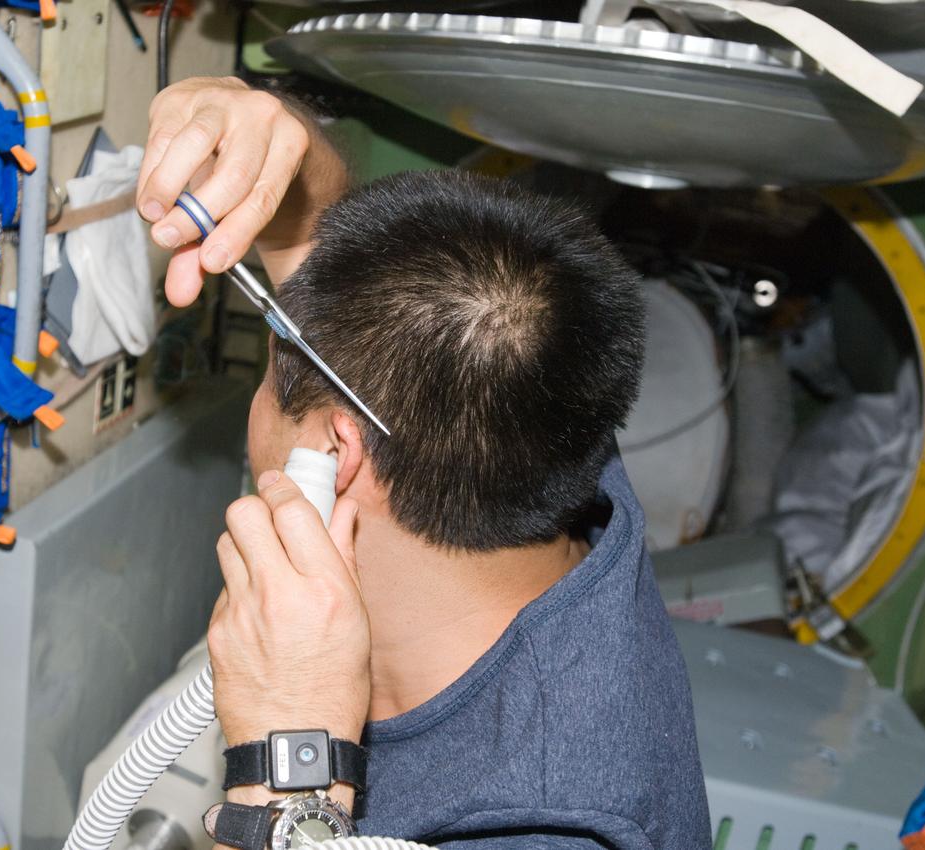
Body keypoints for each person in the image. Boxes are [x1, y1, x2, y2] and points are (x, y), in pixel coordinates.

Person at [135, 77, 711, 850]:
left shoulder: (543, 827)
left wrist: (287, 769)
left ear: (334, 454)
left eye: (268, 379)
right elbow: (329, 261)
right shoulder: (537, 407)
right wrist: (272, 135)